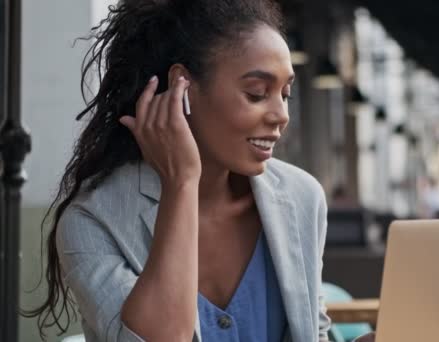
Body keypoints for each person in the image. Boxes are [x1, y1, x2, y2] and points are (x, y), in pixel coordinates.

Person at [24, 1, 334, 341]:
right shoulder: (93, 220)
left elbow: (310, 334)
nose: (281, 115)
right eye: (257, 93)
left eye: (285, 93)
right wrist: (182, 183)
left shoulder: (302, 197)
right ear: (182, 86)